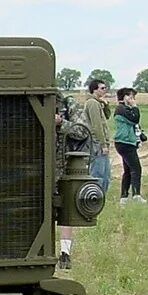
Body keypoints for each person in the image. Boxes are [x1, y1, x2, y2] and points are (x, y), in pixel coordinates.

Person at [55, 94, 91, 270]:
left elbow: (83, 131)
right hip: (33, 167)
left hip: (62, 168)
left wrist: (61, 123)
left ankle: (65, 253)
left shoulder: (68, 104)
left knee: (66, 213)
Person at [113, 87, 146, 204]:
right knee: (136, 168)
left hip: (128, 142)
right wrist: (135, 107)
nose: (132, 99)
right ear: (124, 97)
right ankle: (136, 195)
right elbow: (134, 119)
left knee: (127, 170)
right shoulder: (121, 109)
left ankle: (124, 197)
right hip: (124, 142)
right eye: (130, 97)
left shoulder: (125, 109)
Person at [83, 79, 111, 194]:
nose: (105, 90)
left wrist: (105, 104)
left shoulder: (98, 102)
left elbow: (107, 116)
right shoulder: (92, 103)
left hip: (100, 142)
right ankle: (95, 197)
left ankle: (101, 196)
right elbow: (96, 125)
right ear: (94, 90)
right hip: (96, 143)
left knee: (106, 174)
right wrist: (103, 144)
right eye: (102, 88)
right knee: (98, 174)